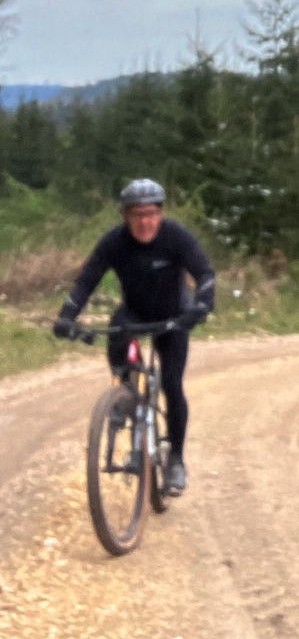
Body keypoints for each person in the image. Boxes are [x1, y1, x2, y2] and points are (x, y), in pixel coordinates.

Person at [52, 178, 215, 495]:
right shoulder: (114, 242)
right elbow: (86, 281)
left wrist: (202, 305)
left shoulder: (175, 236)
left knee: (172, 385)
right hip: (135, 313)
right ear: (126, 216)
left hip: (173, 316)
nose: (145, 222)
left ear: (160, 213)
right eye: (137, 215)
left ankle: (176, 460)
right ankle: (126, 395)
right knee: (117, 337)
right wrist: (66, 316)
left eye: (151, 214)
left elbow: (205, 272)